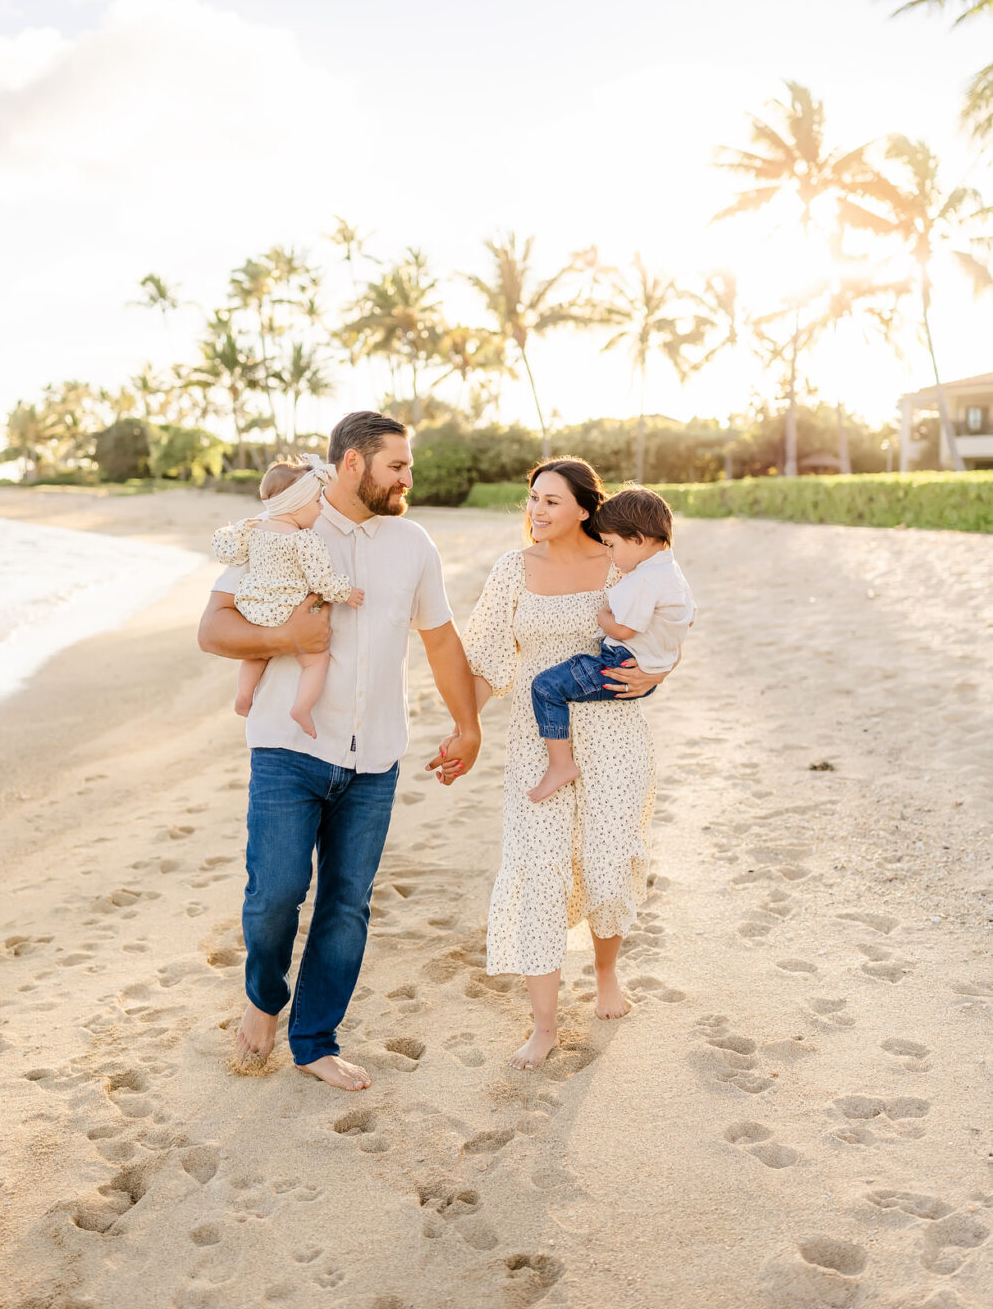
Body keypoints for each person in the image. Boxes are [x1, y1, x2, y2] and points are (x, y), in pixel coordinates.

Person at [197, 411, 481, 1091]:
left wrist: (466, 725)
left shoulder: (412, 543)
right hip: (287, 747)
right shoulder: (285, 527)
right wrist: (287, 638)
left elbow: (439, 640)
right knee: (275, 897)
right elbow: (213, 629)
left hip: (375, 757)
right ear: (353, 464)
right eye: (397, 466)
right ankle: (265, 999)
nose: (408, 478)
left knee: (347, 904)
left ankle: (315, 1041)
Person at [452, 457, 666, 1070]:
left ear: (582, 507)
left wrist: (659, 671)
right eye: (532, 499)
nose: (536, 511)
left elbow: (662, 631)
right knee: (537, 867)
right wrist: (463, 730)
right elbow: (486, 661)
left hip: (615, 733)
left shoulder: (620, 561)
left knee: (605, 860)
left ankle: (605, 977)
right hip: (535, 743)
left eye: (551, 501)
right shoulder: (512, 571)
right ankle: (544, 1027)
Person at [527, 485, 694, 802]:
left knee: (547, 687)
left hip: (619, 665)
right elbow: (687, 620)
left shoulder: (645, 578)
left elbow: (624, 630)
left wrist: (603, 616)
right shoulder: (671, 572)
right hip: (642, 667)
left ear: (638, 540)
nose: (610, 554)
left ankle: (561, 765)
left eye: (612, 545)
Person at [210, 455, 365, 734]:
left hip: (254, 608)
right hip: (288, 609)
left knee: (256, 655)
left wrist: (227, 531)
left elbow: (230, 553)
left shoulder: (254, 530)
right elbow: (321, 579)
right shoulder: (304, 539)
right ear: (296, 505)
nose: (320, 509)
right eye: (317, 501)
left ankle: (244, 696)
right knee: (316, 660)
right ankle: (301, 708)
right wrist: (346, 593)